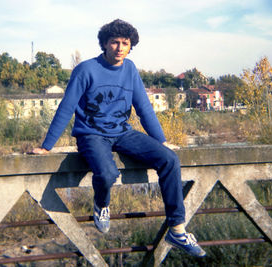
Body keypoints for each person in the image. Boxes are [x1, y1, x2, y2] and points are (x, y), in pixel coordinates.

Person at [32, 19, 206, 258]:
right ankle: (102, 205)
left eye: (125, 43)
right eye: (114, 42)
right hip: (91, 135)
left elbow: (143, 107)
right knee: (108, 173)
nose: (120, 47)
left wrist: (161, 140)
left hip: (122, 132)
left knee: (169, 159)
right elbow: (67, 107)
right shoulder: (86, 70)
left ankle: (176, 228)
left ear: (130, 46)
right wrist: (46, 146)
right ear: (104, 44)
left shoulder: (130, 69)